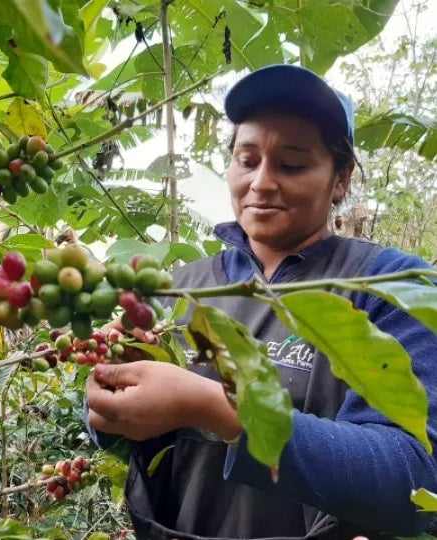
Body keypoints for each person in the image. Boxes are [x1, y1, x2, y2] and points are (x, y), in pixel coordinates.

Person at [86, 64, 437, 539]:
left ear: (341, 179)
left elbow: (410, 476)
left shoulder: (391, 285)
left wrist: (214, 407)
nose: (262, 183)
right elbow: (122, 434)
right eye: (247, 160)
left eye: (292, 164)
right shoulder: (179, 288)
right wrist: (107, 406)